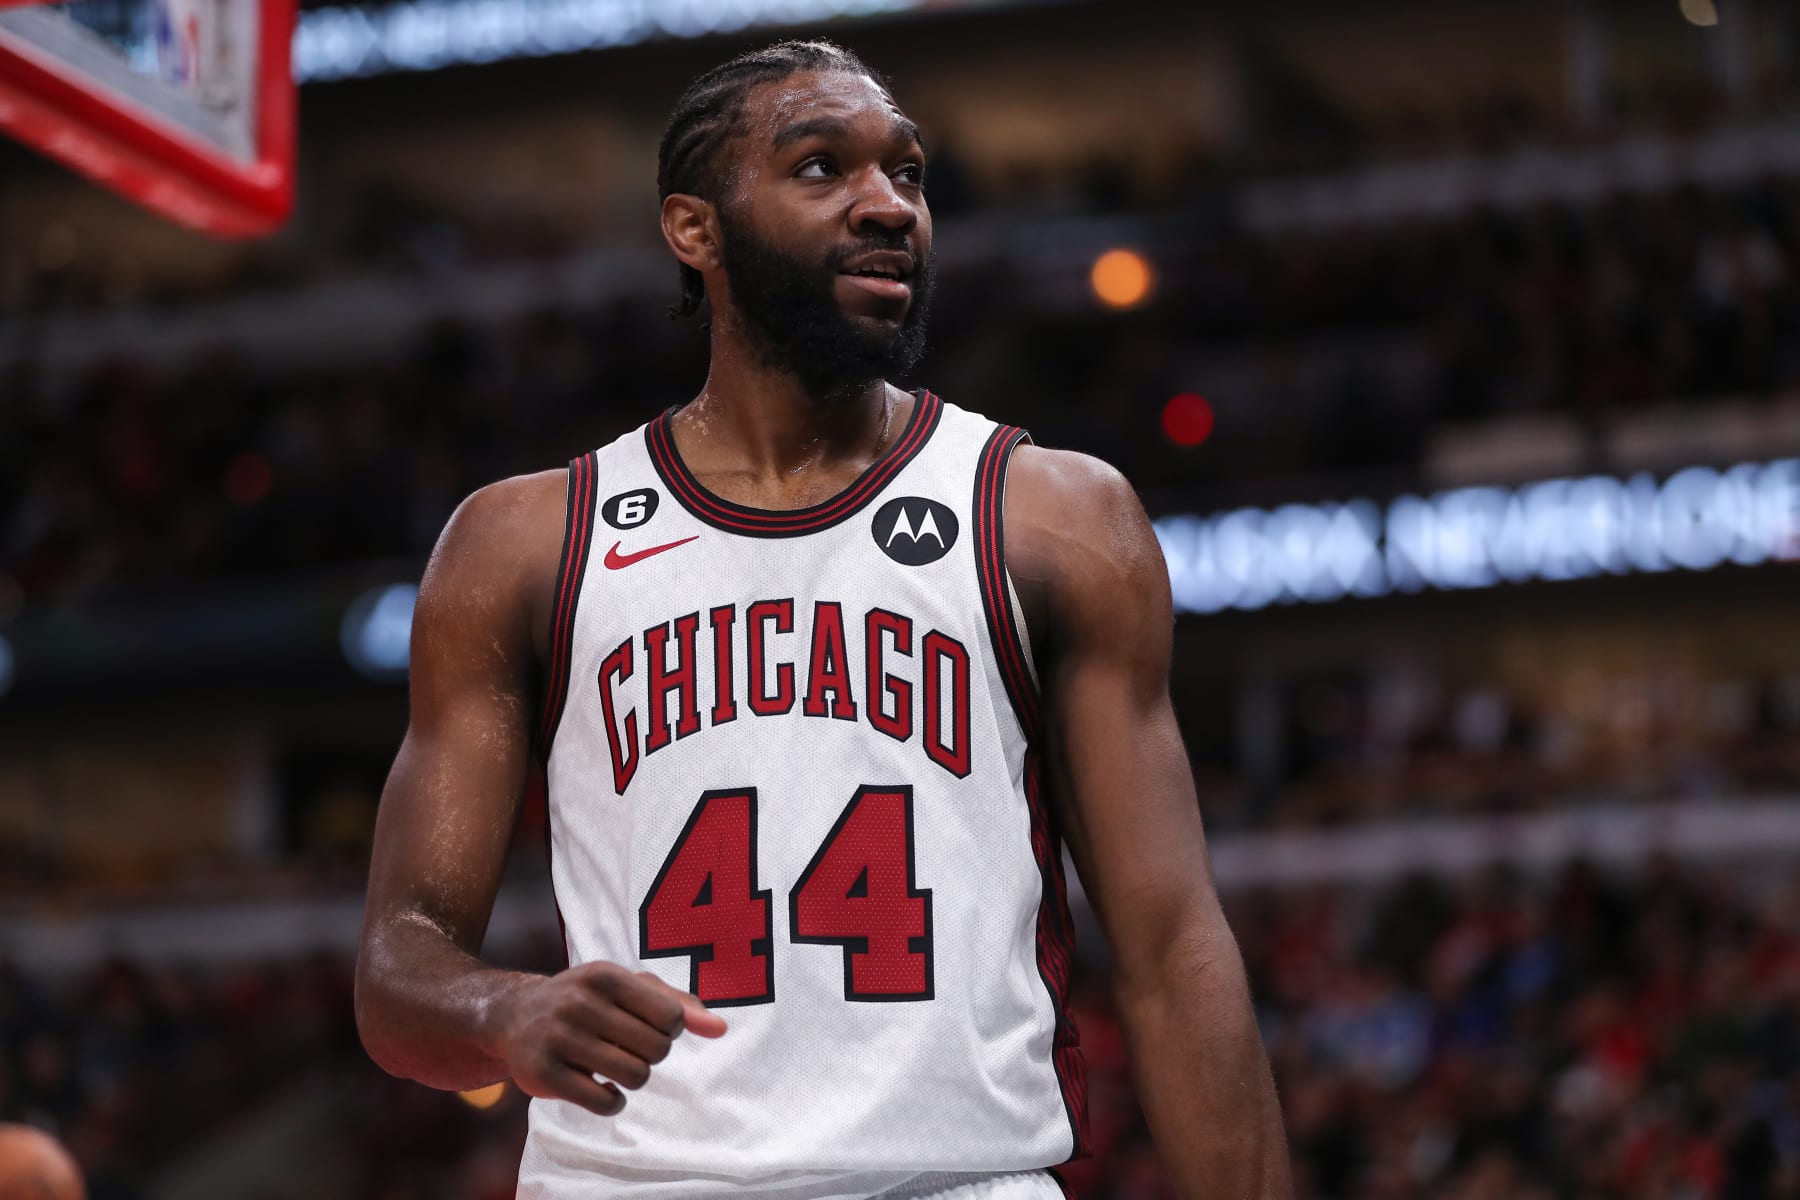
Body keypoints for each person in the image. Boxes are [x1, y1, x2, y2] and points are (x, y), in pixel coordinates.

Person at [354, 39, 1290, 1200]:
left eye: (907, 172)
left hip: (955, 1181)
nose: (887, 204)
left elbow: (1172, 953)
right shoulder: (523, 545)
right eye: (820, 168)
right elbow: (397, 971)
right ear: (694, 230)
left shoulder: (1052, 518)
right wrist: (506, 1009)